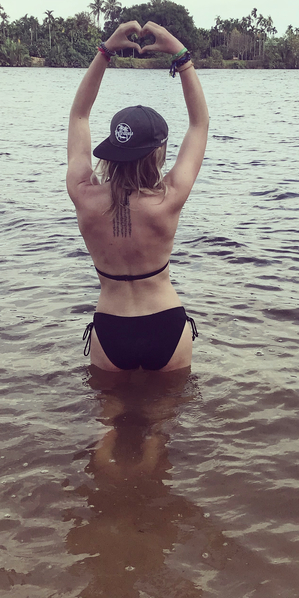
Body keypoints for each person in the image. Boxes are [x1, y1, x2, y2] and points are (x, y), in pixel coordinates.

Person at [67, 20, 209, 372]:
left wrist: (105, 51)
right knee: (171, 409)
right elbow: (199, 123)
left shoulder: (84, 194)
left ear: (112, 148)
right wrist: (180, 56)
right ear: (159, 152)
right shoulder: (168, 199)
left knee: (108, 410)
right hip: (165, 322)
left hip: (111, 325)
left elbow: (79, 115)